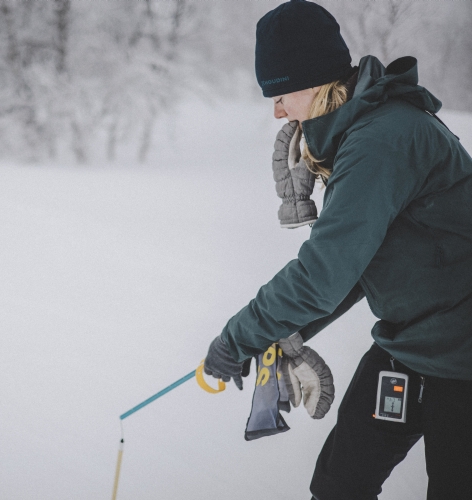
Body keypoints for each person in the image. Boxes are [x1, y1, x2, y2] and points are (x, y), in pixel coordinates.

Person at [202, 1, 472, 499]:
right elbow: (353, 266)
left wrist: (239, 337)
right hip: (411, 344)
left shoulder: (382, 140)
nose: (278, 110)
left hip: (462, 355)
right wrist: (283, 333)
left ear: (317, 83)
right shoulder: (359, 136)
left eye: (282, 94)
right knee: (339, 485)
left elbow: (323, 273)